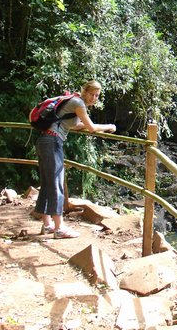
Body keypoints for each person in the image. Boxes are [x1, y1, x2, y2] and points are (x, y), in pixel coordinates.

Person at [34, 80, 116, 238]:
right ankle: (59, 228)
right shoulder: (78, 103)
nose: (93, 98)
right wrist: (109, 126)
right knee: (57, 183)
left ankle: (47, 225)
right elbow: (91, 127)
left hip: (45, 140)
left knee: (48, 182)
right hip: (52, 142)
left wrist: (87, 125)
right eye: (91, 94)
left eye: (97, 95)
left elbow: (74, 125)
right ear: (85, 91)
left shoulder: (74, 101)